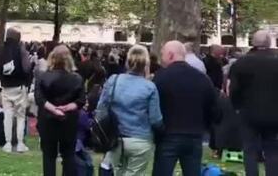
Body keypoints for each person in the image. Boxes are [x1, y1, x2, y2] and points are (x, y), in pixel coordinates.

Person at [152, 41, 220, 176]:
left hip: (168, 134)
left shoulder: (160, 77)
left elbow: (153, 105)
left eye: (163, 55)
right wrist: (204, 126)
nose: (161, 58)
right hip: (194, 134)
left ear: (170, 55)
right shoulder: (202, 79)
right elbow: (215, 110)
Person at [97, 45, 163, 176]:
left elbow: (101, 109)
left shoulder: (113, 80)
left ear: (127, 61)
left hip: (116, 137)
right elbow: (155, 119)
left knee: (114, 170)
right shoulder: (150, 87)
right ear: (146, 64)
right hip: (140, 139)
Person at [229, 30, 278, 176]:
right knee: (272, 151)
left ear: (253, 43)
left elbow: (234, 89)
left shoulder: (241, 63)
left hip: (248, 113)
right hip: (273, 114)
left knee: (249, 150)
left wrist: (236, 106)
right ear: (269, 43)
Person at [35, 44, 86, 176]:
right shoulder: (76, 78)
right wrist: (67, 107)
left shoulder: (42, 76)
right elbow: (81, 100)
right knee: (68, 155)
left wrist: (53, 109)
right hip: (69, 120)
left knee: (48, 156)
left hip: (47, 120)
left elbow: (39, 98)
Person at [0, 27, 31, 153]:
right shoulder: (21, 50)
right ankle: (20, 143)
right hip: (19, 86)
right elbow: (27, 68)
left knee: (8, 115)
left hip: (6, 86)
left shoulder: (0, 50)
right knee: (21, 116)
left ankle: (8, 143)